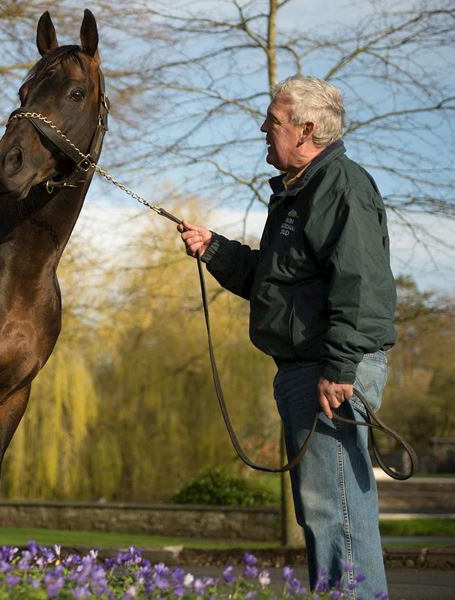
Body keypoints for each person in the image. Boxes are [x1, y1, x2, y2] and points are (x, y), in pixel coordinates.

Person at [179, 75, 395, 598]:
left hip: (329, 370)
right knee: (321, 507)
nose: (263, 127)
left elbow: (361, 285)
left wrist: (339, 370)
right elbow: (272, 283)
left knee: (334, 507)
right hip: (309, 369)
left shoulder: (340, 186)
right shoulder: (298, 194)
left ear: (307, 129)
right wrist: (216, 250)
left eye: (272, 122)